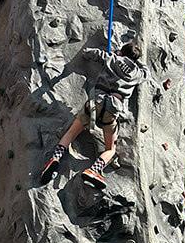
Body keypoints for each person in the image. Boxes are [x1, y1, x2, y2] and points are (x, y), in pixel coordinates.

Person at [40, 40, 148, 188]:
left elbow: (91, 53)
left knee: (71, 133)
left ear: (121, 52)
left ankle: (55, 158)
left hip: (95, 102)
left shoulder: (112, 58)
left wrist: (114, 54)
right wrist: (136, 62)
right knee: (110, 149)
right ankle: (93, 170)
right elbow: (146, 72)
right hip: (112, 110)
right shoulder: (137, 73)